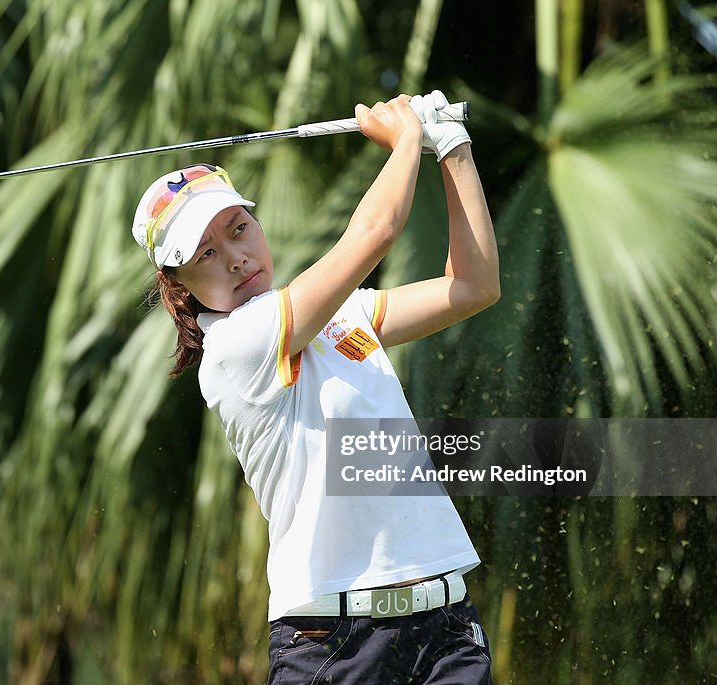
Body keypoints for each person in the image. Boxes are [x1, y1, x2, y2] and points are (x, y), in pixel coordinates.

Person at [131, 91, 500, 684]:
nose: (234, 257)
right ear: (179, 286)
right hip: (335, 643)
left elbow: (473, 286)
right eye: (205, 253)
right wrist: (407, 137)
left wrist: (451, 145)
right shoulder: (235, 348)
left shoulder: (343, 314)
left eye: (238, 229)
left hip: (445, 630)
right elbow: (376, 231)